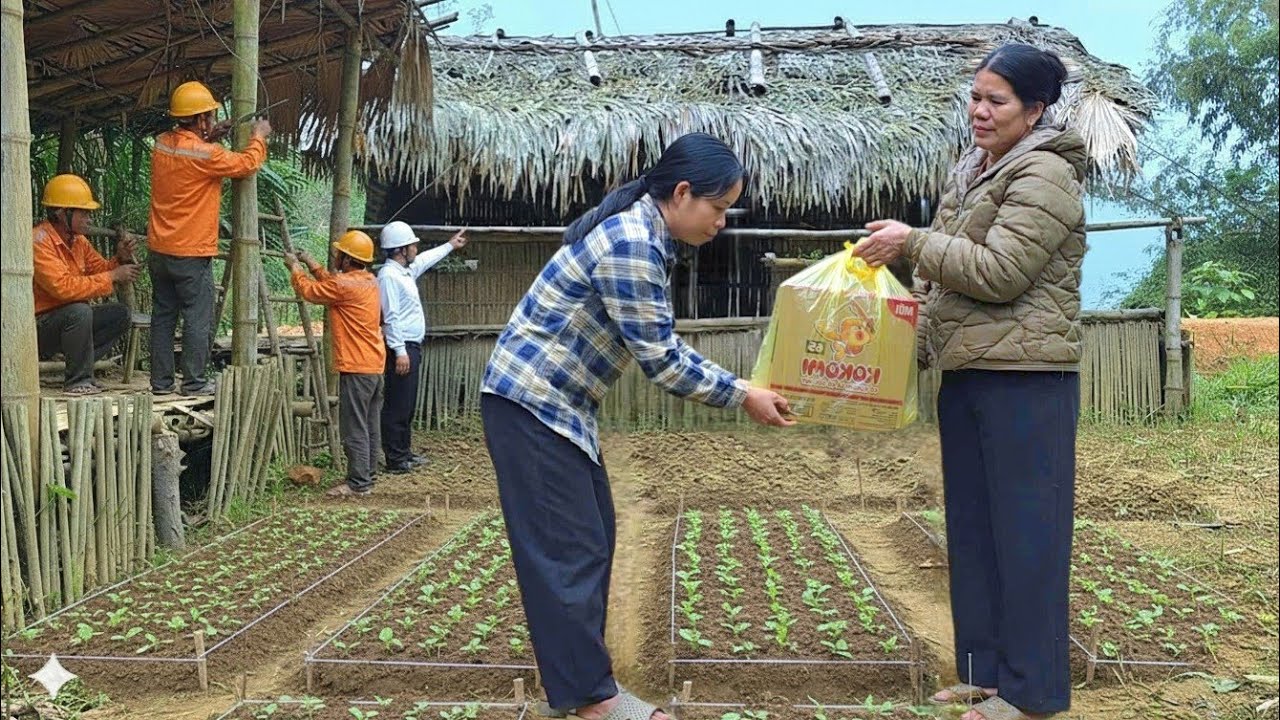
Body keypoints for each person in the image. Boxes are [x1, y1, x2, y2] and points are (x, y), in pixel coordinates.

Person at [480, 132, 794, 720]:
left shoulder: (646, 234)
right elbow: (663, 360)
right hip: (530, 401)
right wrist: (743, 394)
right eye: (719, 207)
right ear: (681, 193)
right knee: (568, 551)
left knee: (589, 539)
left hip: (557, 407)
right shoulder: (630, 243)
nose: (723, 222)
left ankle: (580, 689)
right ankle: (592, 701)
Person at [853, 44, 1085, 720]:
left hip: (1027, 379)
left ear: (1035, 110)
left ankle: (1034, 692)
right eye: (976, 97)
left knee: (1028, 535)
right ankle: (985, 673)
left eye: (997, 100)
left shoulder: (1045, 174)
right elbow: (941, 284)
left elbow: (1000, 271)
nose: (979, 111)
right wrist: (906, 347)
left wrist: (914, 242)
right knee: (975, 531)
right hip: (970, 372)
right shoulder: (973, 168)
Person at [148, 80, 271, 396]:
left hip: (159, 250)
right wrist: (258, 138)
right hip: (189, 253)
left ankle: (160, 384)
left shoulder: (162, 143)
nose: (214, 121)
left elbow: (188, 152)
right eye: (210, 117)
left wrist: (210, 137)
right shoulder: (206, 155)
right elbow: (246, 165)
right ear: (200, 119)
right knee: (197, 318)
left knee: (163, 317)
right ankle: (194, 383)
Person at [285, 231, 386, 498]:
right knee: (370, 424)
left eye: (339, 254)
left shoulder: (345, 286)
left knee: (354, 426)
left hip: (356, 366)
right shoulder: (368, 282)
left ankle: (358, 483)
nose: (336, 257)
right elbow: (334, 284)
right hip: (373, 365)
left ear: (347, 258)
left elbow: (310, 291)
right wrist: (311, 263)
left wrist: (296, 268)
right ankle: (368, 475)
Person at [33, 174, 139, 395]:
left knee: (120, 314)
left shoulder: (78, 241)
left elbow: (100, 269)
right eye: (83, 212)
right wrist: (112, 276)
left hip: (69, 322)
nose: (89, 218)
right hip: (38, 327)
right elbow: (62, 288)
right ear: (62, 213)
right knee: (79, 311)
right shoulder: (40, 242)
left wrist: (118, 259)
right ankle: (77, 381)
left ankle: (81, 368)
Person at [377, 221, 469, 473]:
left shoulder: (404, 271)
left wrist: (450, 245)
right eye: (412, 245)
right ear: (400, 250)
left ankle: (404, 452)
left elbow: (425, 260)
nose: (416, 248)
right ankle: (395, 459)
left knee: (407, 403)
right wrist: (399, 351)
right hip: (402, 347)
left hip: (410, 346)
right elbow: (390, 316)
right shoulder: (388, 276)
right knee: (397, 403)